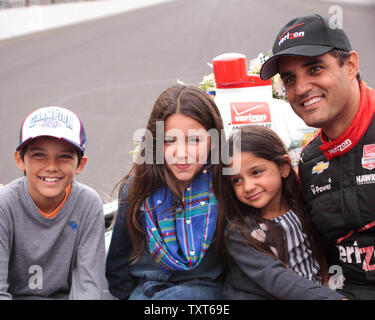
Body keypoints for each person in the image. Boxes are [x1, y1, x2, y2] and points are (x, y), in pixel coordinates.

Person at [260, 14, 375, 299]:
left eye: (315, 68)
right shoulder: (309, 163)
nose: (301, 88)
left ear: (350, 66)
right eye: (290, 79)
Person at [106, 84, 225, 300]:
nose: (182, 153)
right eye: (169, 140)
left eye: (195, 140)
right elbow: (118, 264)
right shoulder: (136, 189)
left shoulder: (223, 188)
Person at [220, 125, 344, 299]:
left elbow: (319, 250)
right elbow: (278, 280)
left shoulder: (301, 205)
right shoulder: (240, 232)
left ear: (284, 167)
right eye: (237, 180)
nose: (247, 187)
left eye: (256, 172)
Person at [0, 106, 105, 299]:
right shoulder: (4, 205)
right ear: (20, 160)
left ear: (80, 164)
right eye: (39, 155)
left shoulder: (88, 204)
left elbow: (88, 286)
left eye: (64, 156)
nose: (51, 166)